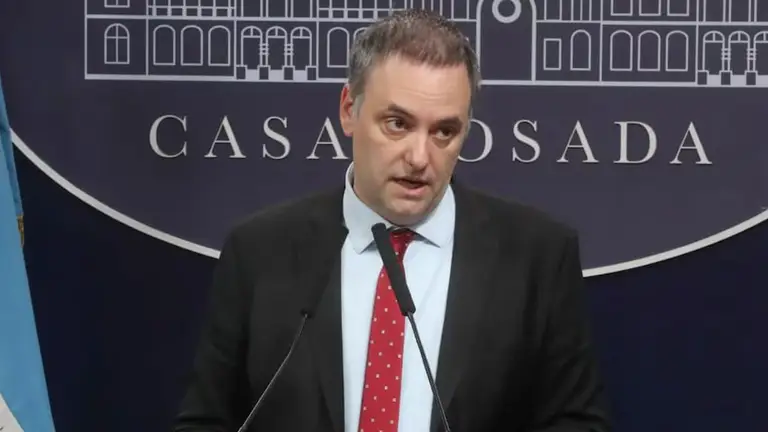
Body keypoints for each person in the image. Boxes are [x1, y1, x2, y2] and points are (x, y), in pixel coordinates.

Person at [173, 8, 610, 432]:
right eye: (397, 124)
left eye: (444, 132)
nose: (419, 157)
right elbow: (206, 421)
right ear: (349, 109)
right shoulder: (259, 251)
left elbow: (577, 423)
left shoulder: (537, 257)